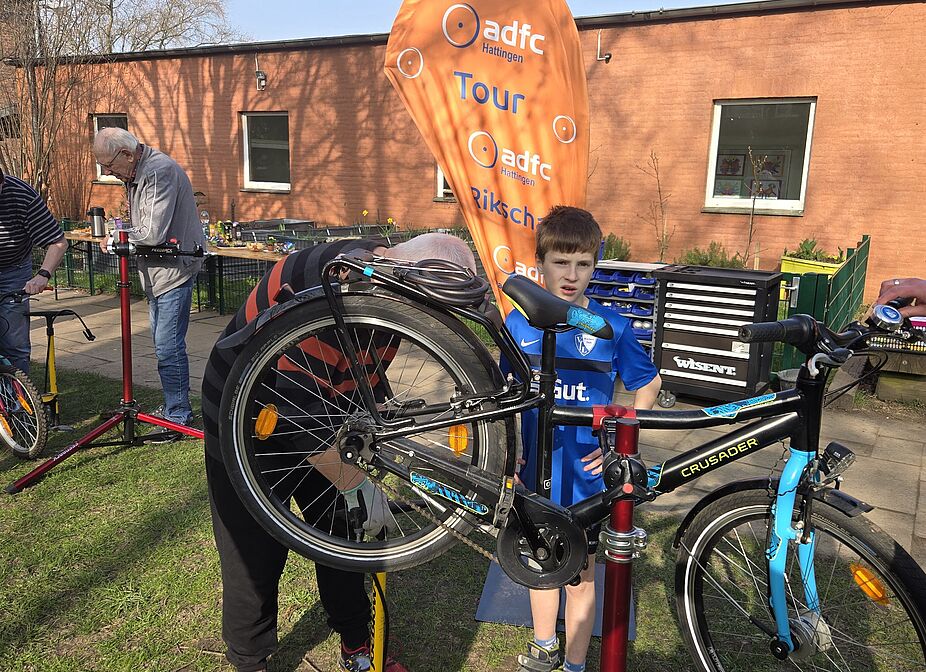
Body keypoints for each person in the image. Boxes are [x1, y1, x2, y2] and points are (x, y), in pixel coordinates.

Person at [202, 233, 477, 672]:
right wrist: (356, 484)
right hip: (245, 416)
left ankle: (357, 643)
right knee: (252, 556)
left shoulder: (389, 295)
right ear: (399, 274)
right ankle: (250, 660)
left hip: (318, 411)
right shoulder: (324, 287)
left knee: (345, 538)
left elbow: (363, 374)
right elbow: (299, 411)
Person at [504, 206, 661, 672]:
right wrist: (509, 453)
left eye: (584, 264)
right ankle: (543, 646)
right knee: (540, 562)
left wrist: (620, 441)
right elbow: (504, 398)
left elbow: (647, 384)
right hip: (536, 470)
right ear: (540, 264)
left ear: (595, 265)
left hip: (589, 476)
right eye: (560, 262)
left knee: (581, 573)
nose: (571, 276)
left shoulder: (612, 328)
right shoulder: (518, 326)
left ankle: (574, 661)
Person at [91, 128, 206, 434]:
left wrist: (118, 235)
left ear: (127, 154)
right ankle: (173, 406)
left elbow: (153, 233)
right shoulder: (137, 173)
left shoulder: (157, 171)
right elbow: (144, 225)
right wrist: (123, 233)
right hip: (157, 272)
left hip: (173, 270)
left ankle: (178, 415)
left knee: (168, 347)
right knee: (162, 344)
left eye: (110, 166)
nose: (109, 173)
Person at [0, 170, 69, 373]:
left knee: (14, 342)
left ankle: (18, 401)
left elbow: (58, 242)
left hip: (13, 270)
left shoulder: (22, 195)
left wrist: (42, 275)